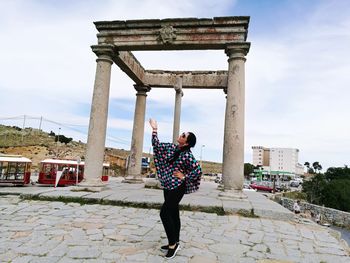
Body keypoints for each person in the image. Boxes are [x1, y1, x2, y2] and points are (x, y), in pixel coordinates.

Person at [149, 118, 202, 259]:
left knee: (164, 213)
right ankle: (175, 240)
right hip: (168, 186)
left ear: (187, 142)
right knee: (173, 213)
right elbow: (156, 146)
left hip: (177, 187)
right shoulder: (172, 148)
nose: (181, 135)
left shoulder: (187, 156)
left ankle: (173, 244)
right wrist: (154, 129)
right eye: (182, 134)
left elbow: (197, 170)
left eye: (184, 136)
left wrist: (184, 176)